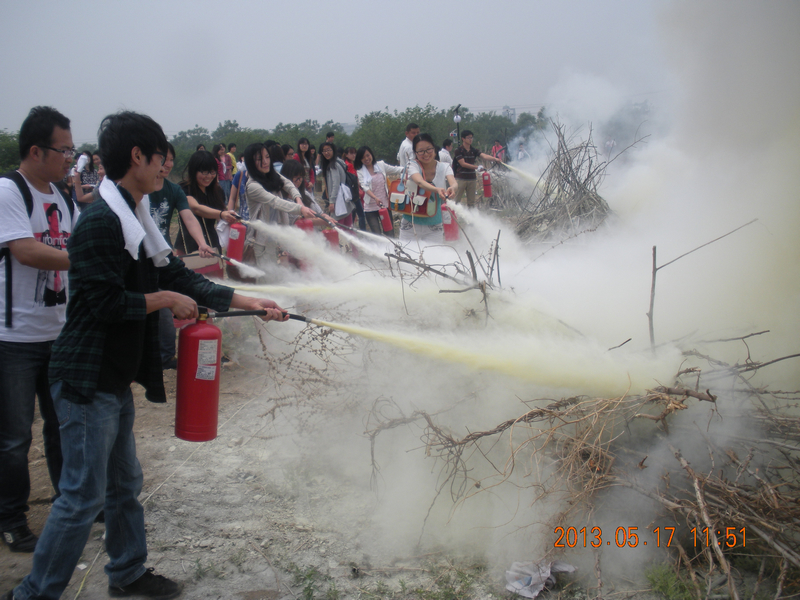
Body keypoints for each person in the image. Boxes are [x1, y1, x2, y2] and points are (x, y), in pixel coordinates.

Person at [5, 111, 289, 600]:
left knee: (123, 484)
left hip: (112, 376)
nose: (165, 168)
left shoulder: (135, 216)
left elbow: (179, 277)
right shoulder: (99, 222)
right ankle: (34, 593)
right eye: (161, 158)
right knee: (80, 497)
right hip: (86, 376)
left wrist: (249, 302)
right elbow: (102, 302)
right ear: (137, 157)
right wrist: (160, 301)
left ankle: (128, 573)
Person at [0, 106, 74, 555]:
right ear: (35, 150)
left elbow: (74, 245)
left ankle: (71, 503)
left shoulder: (62, 197)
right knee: (13, 437)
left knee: (61, 426)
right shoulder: (9, 190)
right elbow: (26, 251)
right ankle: (11, 517)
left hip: (57, 331)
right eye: (63, 150)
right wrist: (85, 260)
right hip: (14, 339)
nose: (70, 158)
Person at [149, 143, 214, 370]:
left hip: (164, 260)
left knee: (164, 311)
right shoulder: (139, 189)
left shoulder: (173, 190)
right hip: (139, 261)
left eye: (170, 160)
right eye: (162, 159)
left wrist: (202, 243)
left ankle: (165, 358)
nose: (167, 164)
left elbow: (188, 218)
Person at [243, 143, 318, 271]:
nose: (265, 162)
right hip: (258, 241)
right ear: (251, 162)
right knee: (263, 278)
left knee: (272, 274)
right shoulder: (252, 186)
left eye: (267, 157)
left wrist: (298, 199)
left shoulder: (271, 177)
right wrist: (300, 209)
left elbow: (288, 183)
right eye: (259, 159)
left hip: (271, 237)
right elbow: (275, 202)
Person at [175, 150, 237, 258]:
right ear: (194, 171)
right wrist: (222, 214)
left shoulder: (217, 191)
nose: (208, 176)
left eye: (212, 172)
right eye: (204, 172)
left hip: (212, 244)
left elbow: (220, 218)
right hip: (187, 245)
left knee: (215, 274)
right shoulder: (183, 189)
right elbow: (196, 208)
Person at [399, 133, 457, 246]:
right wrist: (437, 190)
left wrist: (452, 188)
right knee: (408, 257)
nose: (425, 154)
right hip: (410, 224)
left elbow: (453, 182)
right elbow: (420, 182)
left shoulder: (444, 167)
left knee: (433, 260)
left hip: (434, 225)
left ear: (434, 149)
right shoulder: (412, 165)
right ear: (415, 153)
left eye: (428, 149)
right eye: (420, 151)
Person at [355, 146, 403, 237]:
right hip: (370, 207)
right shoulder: (360, 171)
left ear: (371, 154)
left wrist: (407, 169)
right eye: (363, 157)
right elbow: (364, 187)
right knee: (376, 234)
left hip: (384, 205)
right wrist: (375, 198)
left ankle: (392, 250)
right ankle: (380, 251)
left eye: (368, 155)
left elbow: (395, 169)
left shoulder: (381, 165)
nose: (366, 159)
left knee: (389, 232)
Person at [452, 130, 501, 209]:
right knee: (456, 201)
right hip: (461, 178)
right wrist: (476, 167)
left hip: (472, 178)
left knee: (471, 202)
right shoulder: (458, 150)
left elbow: (484, 156)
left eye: (471, 138)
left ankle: (471, 220)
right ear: (463, 139)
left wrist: (495, 159)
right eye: (468, 138)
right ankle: (452, 219)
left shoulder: (473, 150)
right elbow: (463, 164)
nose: (470, 139)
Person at [318, 142, 354, 226]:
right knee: (349, 228)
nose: (326, 153)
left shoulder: (333, 166)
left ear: (333, 150)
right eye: (324, 151)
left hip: (339, 202)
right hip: (345, 199)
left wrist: (332, 202)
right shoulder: (340, 162)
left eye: (328, 150)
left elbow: (335, 184)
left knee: (338, 228)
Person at [343, 147, 366, 231]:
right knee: (360, 214)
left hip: (350, 193)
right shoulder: (349, 165)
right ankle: (363, 231)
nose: (353, 155)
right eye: (351, 153)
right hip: (354, 194)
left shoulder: (347, 164)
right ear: (346, 154)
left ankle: (350, 231)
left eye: (354, 153)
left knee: (352, 214)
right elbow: (353, 180)